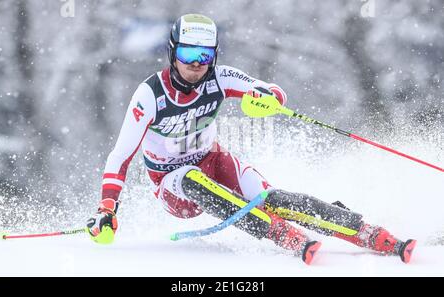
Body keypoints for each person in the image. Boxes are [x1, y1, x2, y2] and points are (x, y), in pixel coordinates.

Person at [87, 14, 416, 264]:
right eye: (188, 55)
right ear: (172, 53)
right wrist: (107, 207)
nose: (196, 66)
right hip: (173, 187)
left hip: (214, 161)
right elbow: (119, 156)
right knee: (190, 178)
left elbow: (271, 90)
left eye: (204, 56)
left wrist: (268, 97)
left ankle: (369, 233)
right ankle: (282, 235)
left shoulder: (219, 77)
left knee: (270, 198)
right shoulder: (150, 95)